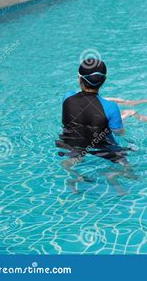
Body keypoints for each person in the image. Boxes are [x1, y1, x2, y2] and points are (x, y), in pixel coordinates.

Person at [56, 59, 136, 194]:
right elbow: (119, 133)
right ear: (104, 80)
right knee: (128, 168)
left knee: (69, 161)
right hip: (102, 145)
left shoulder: (67, 97)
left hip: (72, 143)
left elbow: (85, 102)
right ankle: (113, 175)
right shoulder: (111, 107)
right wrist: (123, 117)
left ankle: (76, 176)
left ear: (79, 78)